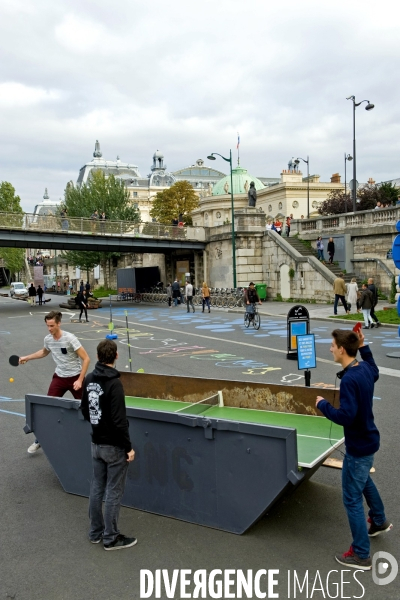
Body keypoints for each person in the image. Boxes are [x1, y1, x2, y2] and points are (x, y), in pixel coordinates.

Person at [316, 329, 392, 570]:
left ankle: (360, 554)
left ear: (341, 349)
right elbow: (375, 369)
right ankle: (378, 520)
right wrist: (363, 346)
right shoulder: (365, 370)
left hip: (359, 445)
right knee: (362, 480)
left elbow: (346, 416)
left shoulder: (349, 379)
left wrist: (323, 405)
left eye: (332, 345)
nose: (330, 349)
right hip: (368, 441)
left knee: (351, 498)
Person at [80, 339, 136, 550]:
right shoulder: (115, 383)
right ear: (116, 356)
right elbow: (119, 421)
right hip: (113, 446)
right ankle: (110, 537)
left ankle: (95, 532)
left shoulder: (89, 378)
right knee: (113, 491)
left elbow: (85, 409)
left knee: (97, 487)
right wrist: (128, 448)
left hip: (96, 442)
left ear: (97, 357)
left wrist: (97, 425)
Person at [19, 310, 90, 454]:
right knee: (48, 407)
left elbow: (86, 358)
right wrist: (27, 357)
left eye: (52, 326)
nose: (50, 329)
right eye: (47, 326)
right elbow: (44, 352)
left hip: (75, 377)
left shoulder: (70, 338)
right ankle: (39, 440)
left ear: (59, 323)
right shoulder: (48, 339)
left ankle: (96, 438)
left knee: (87, 408)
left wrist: (80, 380)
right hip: (59, 377)